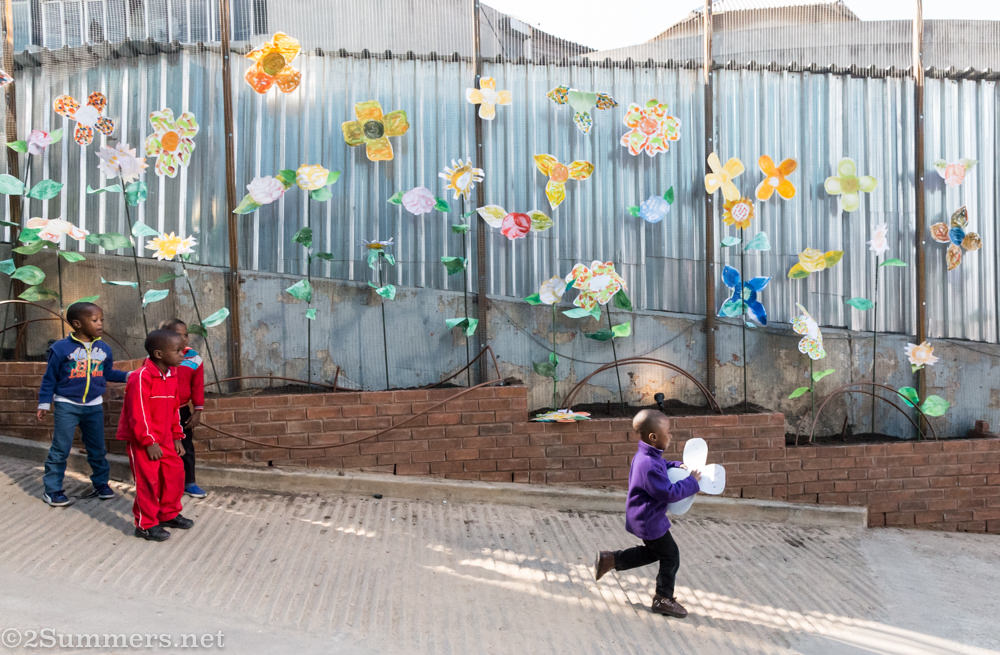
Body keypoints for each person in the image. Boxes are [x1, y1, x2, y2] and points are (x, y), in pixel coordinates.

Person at [593, 409, 701, 618]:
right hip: (649, 519)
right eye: (667, 433)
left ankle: (611, 560)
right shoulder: (648, 464)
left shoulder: (647, 456)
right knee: (671, 555)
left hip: (645, 516)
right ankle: (663, 599)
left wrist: (678, 465)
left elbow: (663, 465)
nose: (670, 437)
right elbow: (668, 493)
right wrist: (691, 482)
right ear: (653, 437)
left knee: (654, 552)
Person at [36, 302, 129, 507]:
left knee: (97, 448)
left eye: (101, 320)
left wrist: (129, 376)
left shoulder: (103, 348)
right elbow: (49, 377)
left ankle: (100, 483)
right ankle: (52, 490)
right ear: (77, 324)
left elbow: (107, 373)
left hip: (94, 406)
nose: (100, 324)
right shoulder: (60, 348)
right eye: (94, 320)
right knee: (61, 448)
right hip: (66, 404)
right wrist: (44, 402)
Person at [116, 329, 195, 541]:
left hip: (167, 439)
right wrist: (149, 441)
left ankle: (168, 514)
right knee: (148, 482)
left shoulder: (172, 374)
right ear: (159, 354)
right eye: (178, 351)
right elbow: (138, 412)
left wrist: (178, 436)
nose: (182, 355)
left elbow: (174, 408)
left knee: (174, 474)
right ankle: (145, 524)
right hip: (144, 441)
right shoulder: (141, 377)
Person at [159, 318, 207, 498]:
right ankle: (165, 484)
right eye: (178, 335)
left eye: (186, 335)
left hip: (182, 410)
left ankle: (189, 482)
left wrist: (198, 411)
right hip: (161, 410)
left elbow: (197, 386)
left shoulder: (194, 358)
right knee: (164, 447)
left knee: (186, 447)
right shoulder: (159, 356)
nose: (184, 339)